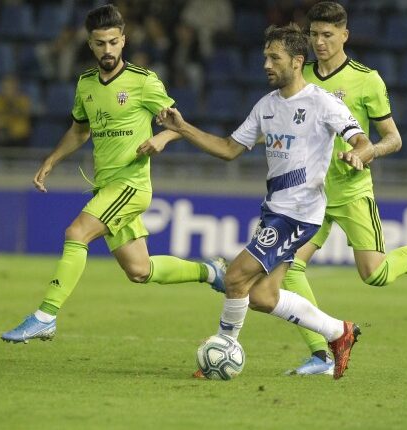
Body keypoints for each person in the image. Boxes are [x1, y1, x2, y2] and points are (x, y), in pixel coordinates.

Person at [156, 23, 372, 380]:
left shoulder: (322, 102)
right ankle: (339, 332)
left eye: (275, 58)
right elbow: (228, 149)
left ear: (297, 61)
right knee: (263, 297)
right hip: (275, 210)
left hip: (299, 213)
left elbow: (362, 141)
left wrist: (358, 155)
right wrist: (183, 128)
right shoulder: (267, 106)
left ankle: (223, 350)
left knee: (236, 277)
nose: (266, 64)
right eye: (265, 58)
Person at [1, 4, 226, 344]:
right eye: (99, 43)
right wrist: (51, 160)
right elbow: (79, 131)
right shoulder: (86, 84)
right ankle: (210, 271)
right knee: (140, 270)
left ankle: (45, 315)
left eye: (113, 42)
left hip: (131, 185)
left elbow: (179, 126)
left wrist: (162, 138)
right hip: (106, 186)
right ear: (90, 44)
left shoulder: (143, 82)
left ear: (124, 40)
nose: (107, 50)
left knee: (76, 233)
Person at [280, 1, 407, 376]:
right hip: (310, 195)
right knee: (287, 266)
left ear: (345, 36)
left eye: (328, 35)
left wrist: (367, 150)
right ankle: (321, 355)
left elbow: (394, 139)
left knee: (375, 275)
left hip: (352, 192)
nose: (320, 42)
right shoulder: (299, 75)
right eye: (314, 35)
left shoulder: (366, 79)